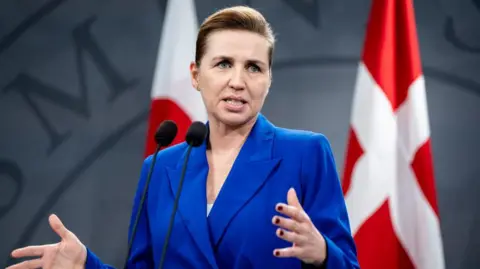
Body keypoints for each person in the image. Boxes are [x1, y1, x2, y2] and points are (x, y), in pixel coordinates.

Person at [7, 5, 359, 269]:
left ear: (268, 80)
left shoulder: (305, 154)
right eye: (223, 64)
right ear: (195, 75)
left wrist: (324, 254)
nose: (238, 80)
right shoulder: (160, 168)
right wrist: (86, 264)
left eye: (254, 67)